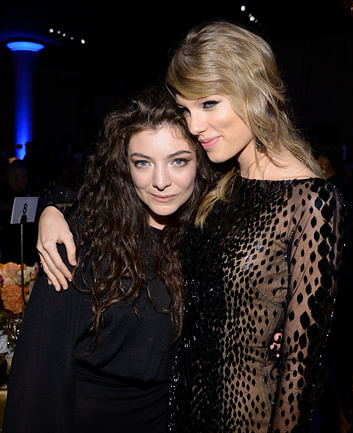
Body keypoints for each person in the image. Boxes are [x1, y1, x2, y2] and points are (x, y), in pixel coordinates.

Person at [35, 20, 346, 433]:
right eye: (186, 108)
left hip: (245, 418)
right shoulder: (220, 179)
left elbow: (300, 372)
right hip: (178, 411)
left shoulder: (312, 200)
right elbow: (124, 183)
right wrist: (53, 207)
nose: (195, 125)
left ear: (256, 91)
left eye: (209, 103)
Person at [2, 85, 215, 433]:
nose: (161, 182)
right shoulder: (81, 242)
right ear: (124, 168)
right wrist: (54, 207)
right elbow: (38, 379)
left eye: (178, 161)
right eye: (143, 163)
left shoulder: (205, 238)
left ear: (200, 163)